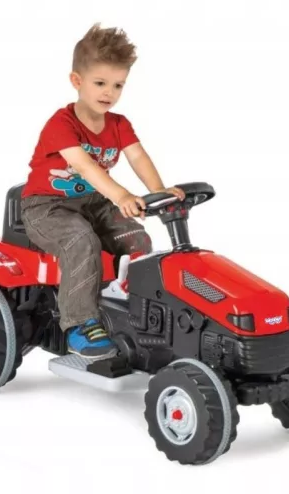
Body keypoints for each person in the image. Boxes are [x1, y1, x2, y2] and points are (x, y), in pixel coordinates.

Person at [21, 23, 185, 360]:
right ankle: (80, 323)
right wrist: (122, 196)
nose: (109, 92)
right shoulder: (61, 124)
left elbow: (138, 156)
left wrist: (159, 191)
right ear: (77, 81)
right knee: (82, 241)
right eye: (100, 83)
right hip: (47, 207)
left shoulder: (119, 124)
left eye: (117, 85)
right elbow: (85, 167)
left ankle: (128, 304)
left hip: (93, 203)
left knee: (137, 239)